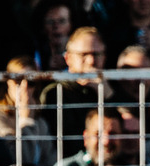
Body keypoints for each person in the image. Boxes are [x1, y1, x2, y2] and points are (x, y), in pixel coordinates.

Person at [39, 26, 117, 158]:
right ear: (68, 58)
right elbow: (66, 142)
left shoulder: (111, 88)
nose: (91, 61)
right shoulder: (56, 92)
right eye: (84, 55)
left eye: (96, 54)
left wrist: (108, 94)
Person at [0, 55, 56, 166]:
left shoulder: (40, 121)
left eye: (31, 82)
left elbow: (51, 162)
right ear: (8, 83)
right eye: (18, 80)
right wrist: (26, 120)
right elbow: (19, 159)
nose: (24, 87)